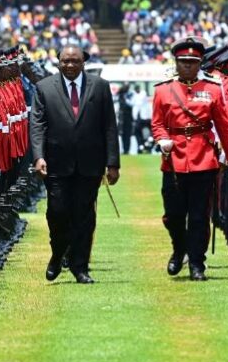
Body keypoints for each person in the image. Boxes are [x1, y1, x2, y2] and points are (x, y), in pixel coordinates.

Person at [151, 36, 228, 281]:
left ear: (200, 62)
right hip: (173, 160)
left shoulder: (212, 89)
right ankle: (179, 248)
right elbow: (157, 123)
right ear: (176, 62)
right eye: (183, 61)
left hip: (203, 159)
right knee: (173, 214)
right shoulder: (163, 90)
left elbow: (225, 127)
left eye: (193, 61)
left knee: (200, 215)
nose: (188, 66)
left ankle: (196, 262)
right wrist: (161, 140)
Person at [30, 44, 121, 284]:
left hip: (90, 164)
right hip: (56, 164)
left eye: (75, 61)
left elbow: (109, 126)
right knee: (57, 213)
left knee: (84, 216)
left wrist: (113, 163)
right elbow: (37, 125)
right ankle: (58, 253)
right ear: (58, 61)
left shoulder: (99, 87)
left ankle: (80, 267)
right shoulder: (44, 88)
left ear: (84, 63)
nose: (70, 65)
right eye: (66, 61)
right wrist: (38, 156)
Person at [130, 84, 150, 151]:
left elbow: (138, 102)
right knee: (138, 132)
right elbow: (132, 103)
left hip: (144, 117)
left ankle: (146, 144)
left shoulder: (143, 94)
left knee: (144, 132)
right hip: (137, 117)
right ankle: (141, 145)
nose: (136, 91)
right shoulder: (135, 94)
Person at [117, 83, 134, 154]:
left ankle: (126, 149)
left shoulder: (129, 96)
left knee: (126, 134)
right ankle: (125, 149)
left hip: (126, 118)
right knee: (125, 134)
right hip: (124, 118)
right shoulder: (121, 96)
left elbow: (131, 104)